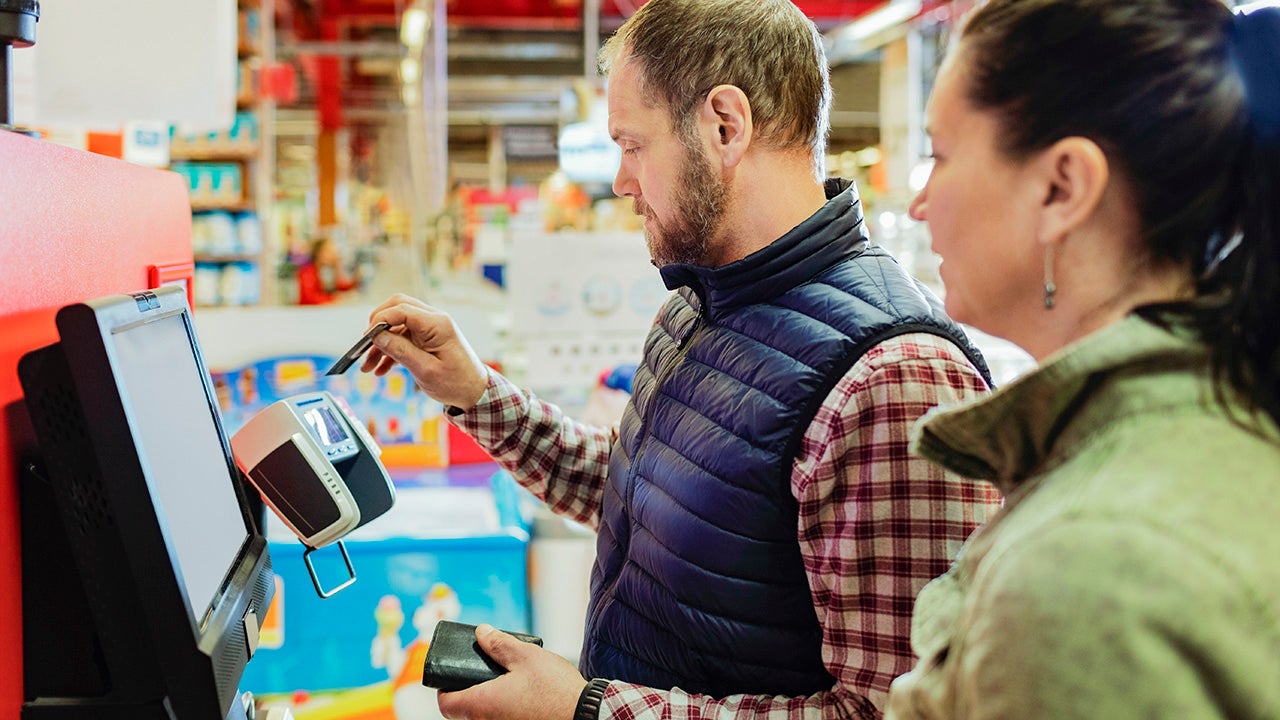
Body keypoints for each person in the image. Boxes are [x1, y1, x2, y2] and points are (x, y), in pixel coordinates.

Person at [361, 1, 1002, 718]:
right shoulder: (697, 305)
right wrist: (478, 394)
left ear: (724, 126)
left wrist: (588, 708)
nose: (620, 181)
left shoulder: (894, 380)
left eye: (633, 144)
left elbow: (891, 712)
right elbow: (650, 498)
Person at [884, 1, 1280, 717]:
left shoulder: (1092, 565)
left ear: (1063, 188)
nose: (919, 204)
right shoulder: (1214, 423)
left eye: (940, 155)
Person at [297, 236, 360, 305]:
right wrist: (333, 298)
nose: (333, 254)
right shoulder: (308, 271)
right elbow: (308, 298)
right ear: (319, 253)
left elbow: (337, 286)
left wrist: (353, 282)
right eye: (329, 251)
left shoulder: (326, 270)